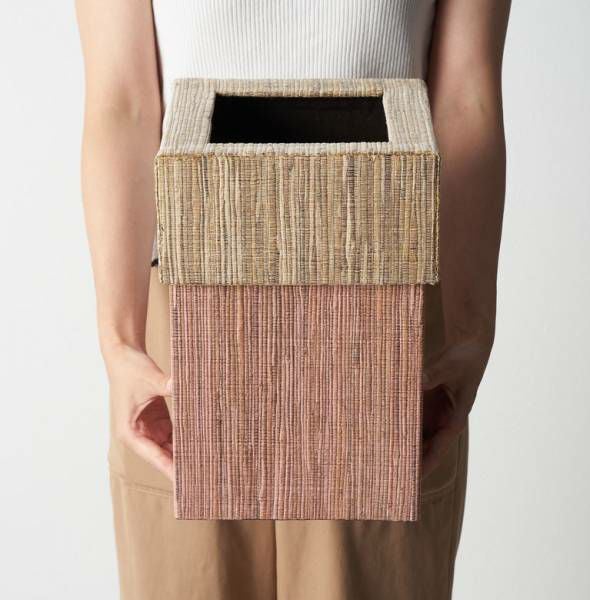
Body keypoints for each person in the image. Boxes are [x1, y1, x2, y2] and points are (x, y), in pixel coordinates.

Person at [75, 1, 511, 598]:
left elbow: (465, 98)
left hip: (382, 312)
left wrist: (469, 328)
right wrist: (120, 341)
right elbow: (122, 102)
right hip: (186, 312)